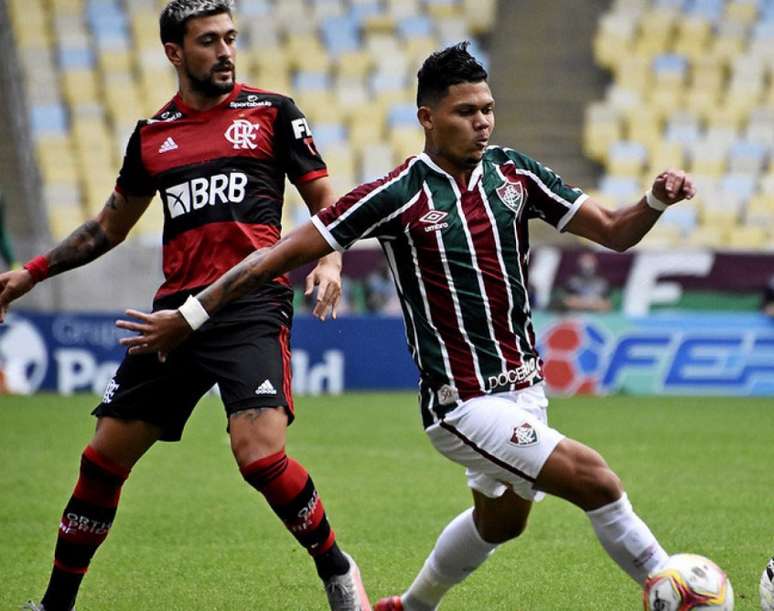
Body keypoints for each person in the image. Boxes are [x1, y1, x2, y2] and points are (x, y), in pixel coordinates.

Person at [112, 43, 697, 610]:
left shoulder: (516, 174)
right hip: (462, 402)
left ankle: (409, 607)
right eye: (465, 112)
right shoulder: (398, 193)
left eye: (487, 109)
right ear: (428, 117)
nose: (482, 123)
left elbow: (616, 231)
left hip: (525, 388)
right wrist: (189, 317)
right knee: (597, 481)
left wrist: (654, 199)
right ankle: (678, 590)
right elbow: (272, 257)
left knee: (502, 523)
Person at [0, 2, 371, 610]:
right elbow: (107, 229)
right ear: (175, 52)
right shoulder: (151, 137)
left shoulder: (272, 114)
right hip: (172, 317)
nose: (225, 51)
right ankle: (54, 605)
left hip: (251, 303)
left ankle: (336, 569)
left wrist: (329, 260)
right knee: (102, 459)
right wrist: (31, 273)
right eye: (208, 42)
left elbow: (328, 203)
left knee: (259, 455)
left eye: (230, 38)